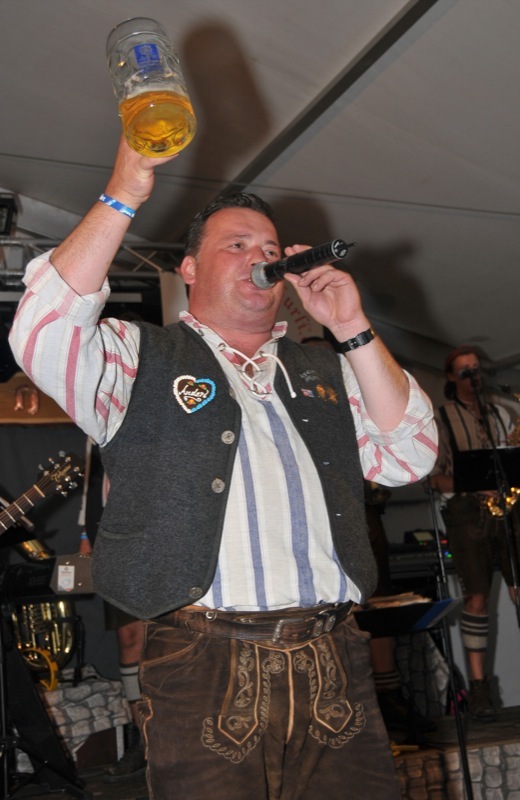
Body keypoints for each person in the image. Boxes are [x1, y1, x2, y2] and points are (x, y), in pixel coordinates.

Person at [9, 135, 437, 800]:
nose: (260, 257)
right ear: (188, 268)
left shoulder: (325, 369)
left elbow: (410, 454)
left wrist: (352, 327)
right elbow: (42, 332)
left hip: (334, 660)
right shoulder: (138, 356)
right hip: (204, 665)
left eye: (270, 248)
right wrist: (123, 194)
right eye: (236, 245)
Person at [429, 346, 520, 722]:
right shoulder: (441, 418)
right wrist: (474, 484)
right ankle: (480, 690)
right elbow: (433, 478)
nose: (473, 374)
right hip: (467, 514)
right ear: (452, 377)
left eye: (476, 368)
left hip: (510, 512)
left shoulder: (501, 414)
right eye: (465, 370)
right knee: (477, 599)